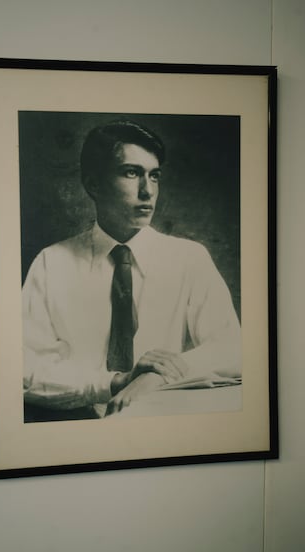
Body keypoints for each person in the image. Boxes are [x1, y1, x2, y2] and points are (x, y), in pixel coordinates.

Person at [22, 119, 241, 421]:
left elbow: (233, 351)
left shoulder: (189, 259)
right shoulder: (51, 263)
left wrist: (157, 376)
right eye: (131, 173)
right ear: (93, 184)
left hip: (165, 430)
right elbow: (23, 370)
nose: (147, 191)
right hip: (74, 431)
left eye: (154, 176)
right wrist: (115, 383)